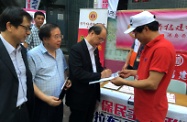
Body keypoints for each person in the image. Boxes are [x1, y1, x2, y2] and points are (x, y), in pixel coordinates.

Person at [111, 11, 176, 122]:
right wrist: (132, 73)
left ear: (146, 29)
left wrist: (123, 82)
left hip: (151, 113)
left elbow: (152, 84)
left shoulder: (162, 49)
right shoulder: (148, 46)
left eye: (136, 32)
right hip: (143, 108)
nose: (135, 37)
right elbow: (148, 72)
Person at [66, 24, 112, 122]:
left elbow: (96, 67)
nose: (100, 42)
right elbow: (78, 73)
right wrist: (100, 75)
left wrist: (105, 71)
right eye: (100, 39)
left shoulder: (95, 50)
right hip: (79, 96)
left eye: (103, 40)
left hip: (92, 95)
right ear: (91, 33)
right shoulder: (77, 49)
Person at [27, 23, 71, 122]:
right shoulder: (32, 55)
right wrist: (46, 99)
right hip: (42, 103)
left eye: (60, 36)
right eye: (56, 36)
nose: (60, 39)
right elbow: (30, 82)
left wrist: (66, 81)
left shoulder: (59, 51)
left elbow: (63, 70)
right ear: (45, 39)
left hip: (58, 100)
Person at [0, 7, 34, 122]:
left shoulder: (22, 51)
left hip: (24, 111)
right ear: (9, 26)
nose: (28, 32)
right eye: (26, 28)